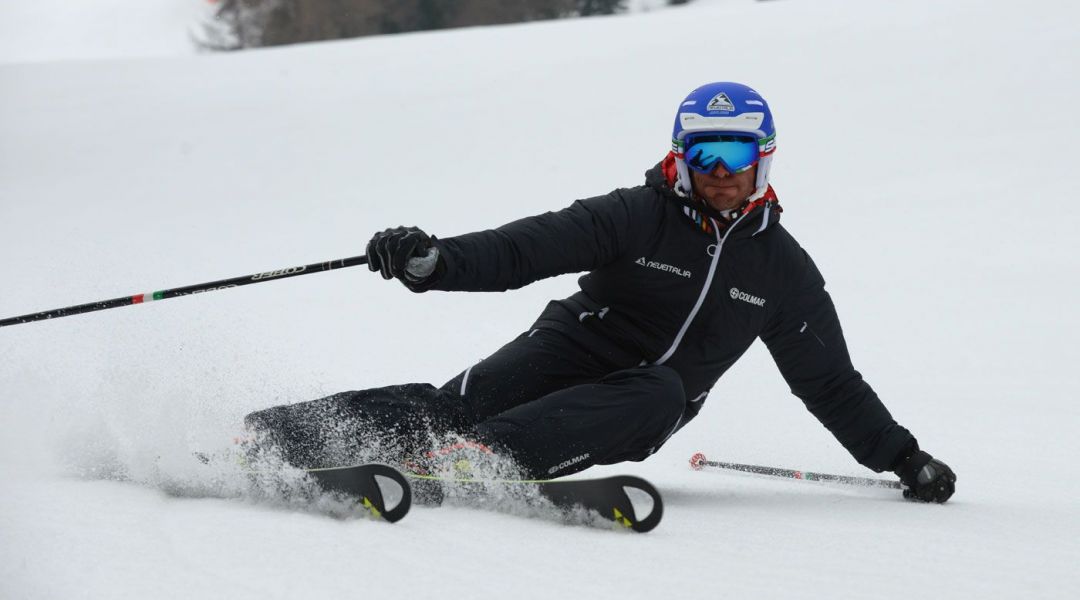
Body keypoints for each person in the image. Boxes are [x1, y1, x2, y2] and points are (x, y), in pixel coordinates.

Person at [245, 82, 956, 503]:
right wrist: (434, 262)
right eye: (701, 154)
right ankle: (265, 436)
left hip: (635, 404)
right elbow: (528, 247)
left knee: (662, 390)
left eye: (734, 154)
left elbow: (831, 382)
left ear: (762, 159)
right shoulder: (634, 214)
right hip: (565, 349)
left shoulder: (782, 272)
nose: (718, 171)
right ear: (680, 157)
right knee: (446, 407)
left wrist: (903, 459)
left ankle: (475, 460)